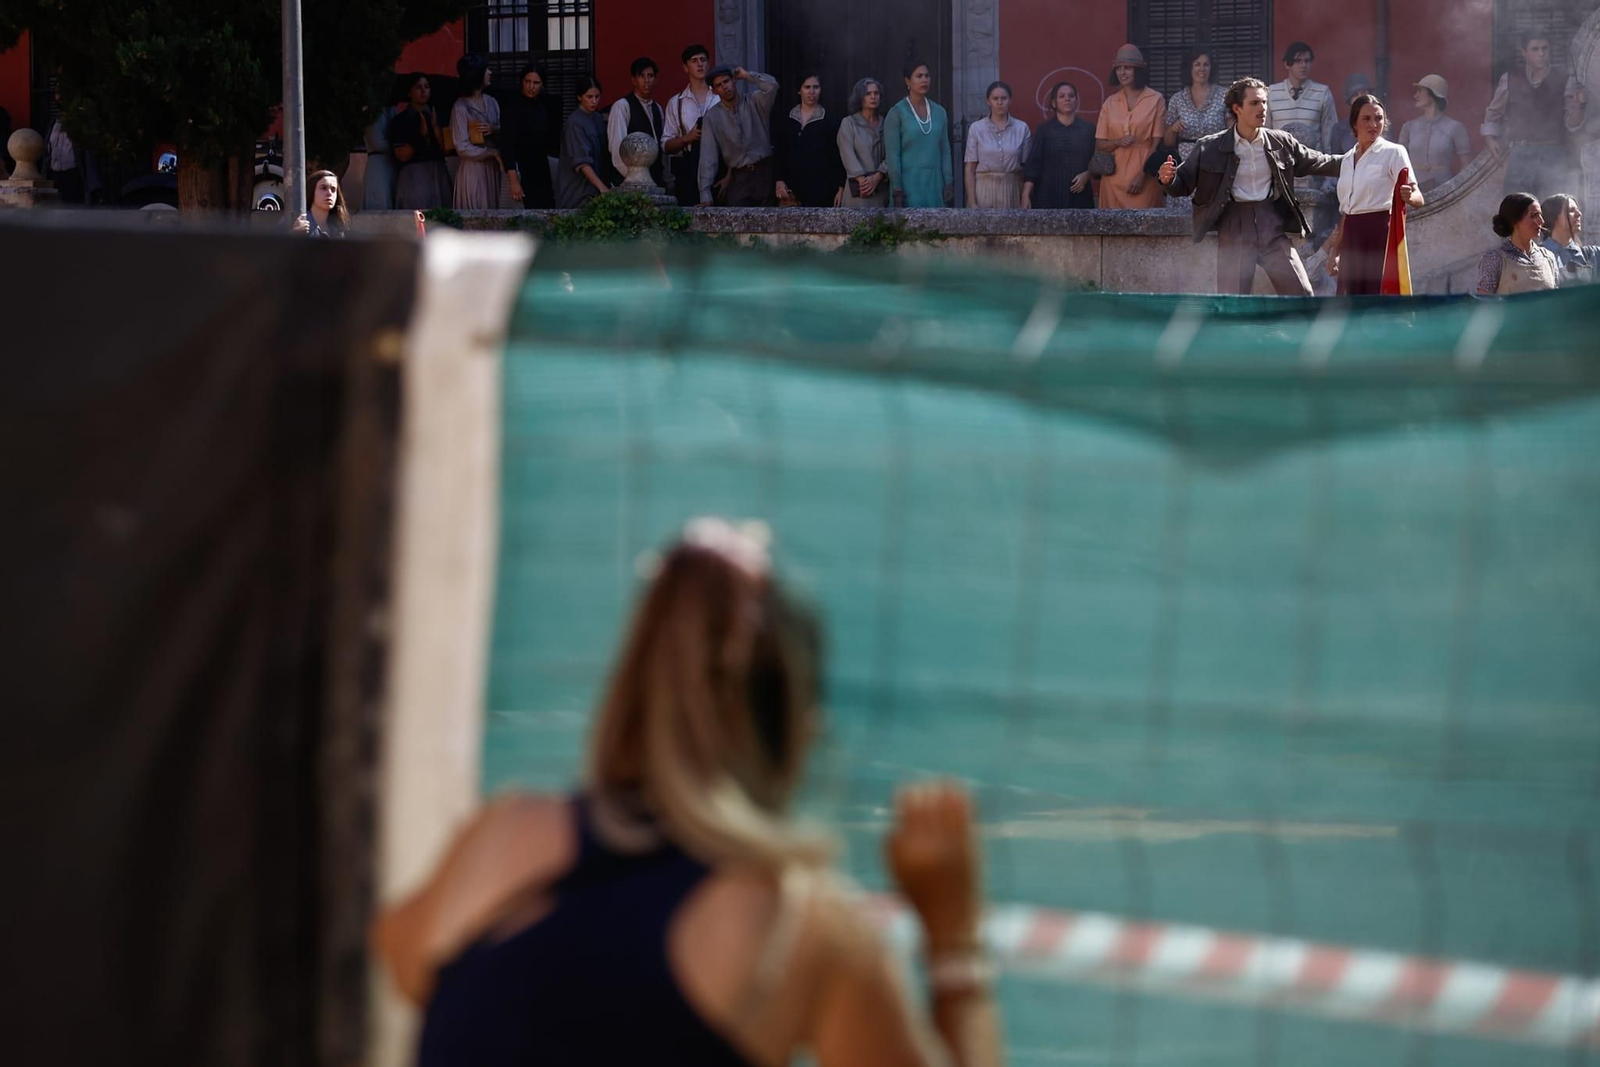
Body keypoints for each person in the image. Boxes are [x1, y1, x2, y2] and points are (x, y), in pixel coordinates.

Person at [374, 518, 1002, 1067]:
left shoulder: (500, 837)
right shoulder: (800, 926)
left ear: (630, 688)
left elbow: (402, 952)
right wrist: (955, 943)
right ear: (799, 728)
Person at [1157, 77, 1345, 295]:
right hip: (1233, 228)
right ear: (1237, 108)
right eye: (1255, 103)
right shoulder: (1209, 147)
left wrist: (1356, 159)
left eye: (1264, 102)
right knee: (1234, 302)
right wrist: (1168, 179)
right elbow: (1182, 183)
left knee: (1301, 293)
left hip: (1270, 225)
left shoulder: (1280, 142)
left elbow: (1319, 161)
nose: (1262, 108)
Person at [1327, 94, 1423, 295]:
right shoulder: (1346, 160)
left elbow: (1418, 197)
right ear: (1354, 123)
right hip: (1352, 237)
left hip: (1380, 235)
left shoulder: (1394, 152)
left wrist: (1408, 196)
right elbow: (1347, 212)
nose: (1374, 124)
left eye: (1379, 118)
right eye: (1366, 118)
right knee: (1350, 300)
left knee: (1378, 297)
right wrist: (1335, 251)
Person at [1482, 33, 1587, 197]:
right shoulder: (1510, 79)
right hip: (1519, 153)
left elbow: (1572, 125)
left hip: (1553, 154)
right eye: (1535, 49)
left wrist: (1579, 106)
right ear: (1524, 52)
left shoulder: (1565, 80)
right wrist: (1489, 138)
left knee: (1552, 210)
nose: (1541, 53)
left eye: (1545, 48)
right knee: (1515, 209)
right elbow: (1493, 112)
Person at [1268, 41, 1339, 244]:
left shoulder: (1322, 93)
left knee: (1311, 234)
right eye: (1298, 61)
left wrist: (1329, 178)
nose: (1303, 65)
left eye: (1307, 61)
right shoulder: (1271, 93)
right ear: (1287, 64)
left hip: (1312, 172)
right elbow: (1264, 135)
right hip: (1279, 172)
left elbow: (1328, 137)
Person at [1094, 44, 1166, 209]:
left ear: (1138, 70)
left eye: (1127, 68)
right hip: (1113, 177)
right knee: (1111, 228)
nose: (1122, 72)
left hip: (1144, 176)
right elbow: (1100, 144)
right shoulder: (1109, 103)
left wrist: (1142, 175)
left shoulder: (1156, 99)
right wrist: (1118, 141)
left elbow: (1156, 144)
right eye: (1119, 68)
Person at [699, 66, 780, 206]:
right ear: (714, 91)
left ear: (734, 81)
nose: (725, 87)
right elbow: (708, 156)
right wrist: (705, 193)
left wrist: (747, 75)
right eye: (719, 85)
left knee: (769, 222)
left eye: (726, 81)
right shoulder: (712, 117)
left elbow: (772, 86)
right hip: (738, 177)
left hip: (764, 171)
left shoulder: (755, 101)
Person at [1161, 47, 1229, 213]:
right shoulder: (1177, 99)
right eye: (1197, 64)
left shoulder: (1224, 95)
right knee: (1184, 221)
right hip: (1186, 168)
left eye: (1206, 64)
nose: (1202, 69)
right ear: (1189, 68)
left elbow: (1232, 133)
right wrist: (1173, 129)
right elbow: (1168, 141)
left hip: (1215, 165)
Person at [885, 60, 953, 208]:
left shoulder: (939, 112)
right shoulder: (897, 113)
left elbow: (945, 149)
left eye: (927, 76)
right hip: (908, 183)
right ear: (907, 81)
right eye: (919, 76)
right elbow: (892, 154)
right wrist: (897, 188)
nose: (924, 80)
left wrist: (948, 181)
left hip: (934, 182)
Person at [773, 73, 845, 207]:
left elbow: (837, 155)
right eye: (807, 87)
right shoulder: (786, 118)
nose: (811, 91)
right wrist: (779, 180)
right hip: (791, 188)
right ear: (799, 90)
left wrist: (841, 187)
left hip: (821, 188)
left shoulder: (830, 120)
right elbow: (779, 151)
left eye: (816, 87)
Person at [1023, 81, 1096, 209]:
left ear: (1076, 100)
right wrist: (1025, 194)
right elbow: (1033, 165)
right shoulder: (1044, 130)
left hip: (1080, 196)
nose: (1067, 99)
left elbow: (1098, 160)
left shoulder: (1088, 129)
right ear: (1053, 102)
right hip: (1047, 197)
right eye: (1061, 96)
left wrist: (1087, 174)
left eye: (1071, 95)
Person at [502, 63, 562, 208]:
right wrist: (514, 180)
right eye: (527, 82)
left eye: (536, 83)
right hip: (520, 168)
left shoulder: (544, 105)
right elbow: (507, 144)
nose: (531, 86)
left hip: (541, 166)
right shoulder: (512, 105)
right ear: (522, 82)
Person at [663, 44, 717, 206]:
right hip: (689, 166)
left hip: (719, 165)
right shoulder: (676, 102)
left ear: (709, 64)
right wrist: (688, 138)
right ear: (685, 68)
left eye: (703, 60)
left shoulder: (719, 97)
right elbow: (666, 145)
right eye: (694, 61)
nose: (700, 64)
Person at [1476, 192, 1561, 294]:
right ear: (1515, 221)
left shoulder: (1548, 257)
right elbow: (1484, 304)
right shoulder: (1495, 259)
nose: (1541, 221)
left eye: (1540, 215)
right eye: (1534, 215)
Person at [391, 72, 453, 211]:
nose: (423, 91)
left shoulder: (437, 116)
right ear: (409, 92)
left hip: (438, 173)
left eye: (427, 87)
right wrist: (420, 136)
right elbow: (402, 155)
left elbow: (446, 149)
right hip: (414, 175)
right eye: (418, 87)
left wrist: (436, 130)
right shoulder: (401, 120)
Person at [963, 81, 1030, 209]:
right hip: (984, 188)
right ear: (988, 101)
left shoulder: (1022, 128)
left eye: (1003, 98)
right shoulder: (976, 128)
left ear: (1010, 100)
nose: (999, 102)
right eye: (995, 99)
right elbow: (970, 168)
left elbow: (1027, 168)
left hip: (1012, 188)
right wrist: (972, 201)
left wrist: (1024, 195)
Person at [1400, 75, 1471, 193]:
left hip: (1444, 190)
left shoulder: (1455, 127)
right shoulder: (1409, 127)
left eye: (1420, 91)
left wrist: (1455, 190)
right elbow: (1399, 163)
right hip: (1413, 190)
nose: (1415, 95)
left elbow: (1466, 167)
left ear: (1433, 94)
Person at [451, 53, 503, 210]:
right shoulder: (460, 108)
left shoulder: (492, 102)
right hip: (474, 170)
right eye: (486, 69)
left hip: (493, 168)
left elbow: (504, 131)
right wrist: (490, 152)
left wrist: (494, 129)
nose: (490, 73)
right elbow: (462, 147)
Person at [608, 57, 668, 189]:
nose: (647, 80)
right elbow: (617, 149)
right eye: (641, 76)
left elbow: (662, 146)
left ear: (655, 79)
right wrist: (633, 179)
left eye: (650, 76)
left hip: (656, 180)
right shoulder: (622, 106)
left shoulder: (657, 109)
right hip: (631, 184)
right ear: (633, 80)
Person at [557, 75, 614, 209]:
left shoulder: (598, 119)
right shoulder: (574, 123)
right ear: (579, 97)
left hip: (594, 189)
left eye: (597, 96)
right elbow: (582, 162)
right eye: (589, 97)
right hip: (577, 191)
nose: (594, 101)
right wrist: (602, 188)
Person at [838, 77, 890, 207]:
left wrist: (877, 177)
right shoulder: (849, 123)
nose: (873, 97)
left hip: (880, 188)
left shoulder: (887, 123)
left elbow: (892, 153)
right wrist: (863, 181)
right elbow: (847, 154)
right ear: (860, 97)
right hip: (858, 190)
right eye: (868, 93)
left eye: (876, 93)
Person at [1539, 193, 1599, 283]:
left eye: (1578, 210)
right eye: (1571, 210)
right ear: (1553, 217)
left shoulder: (1594, 255)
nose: (1579, 214)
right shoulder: (1538, 256)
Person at [363, 81, 401, 212]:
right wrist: (399, 147)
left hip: (394, 162)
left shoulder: (391, 110)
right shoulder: (371, 112)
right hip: (378, 163)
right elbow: (377, 142)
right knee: (379, 202)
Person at [292, 170, 350, 237]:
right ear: (312, 191)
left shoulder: (337, 227)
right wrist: (293, 234)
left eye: (333, 189)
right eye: (323, 188)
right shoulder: (298, 220)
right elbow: (278, 244)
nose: (329, 193)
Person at [1327, 74, 1374, 155]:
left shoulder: (1380, 124)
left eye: (1363, 93)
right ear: (1350, 101)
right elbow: (1336, 162)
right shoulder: (1339, 129)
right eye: (1355, 95)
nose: (1360, 98)